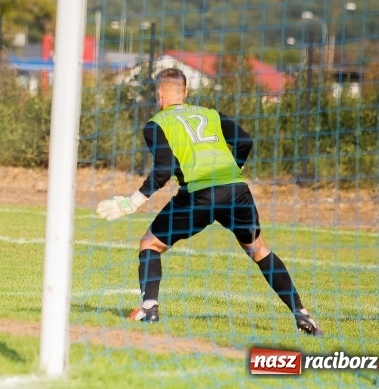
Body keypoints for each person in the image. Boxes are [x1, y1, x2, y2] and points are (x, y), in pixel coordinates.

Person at [95, 68, 322, 335]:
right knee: (259, 250)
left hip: (199, 194)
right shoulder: (210, 114)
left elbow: (164, 169)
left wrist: (132, 202)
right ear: (186, 92)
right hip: (236, 190)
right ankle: (302, 313)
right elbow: (245, 141)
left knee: (150, 243)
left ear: (159, 94)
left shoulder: (156, 124)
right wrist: (231, 168)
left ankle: (149, 308)